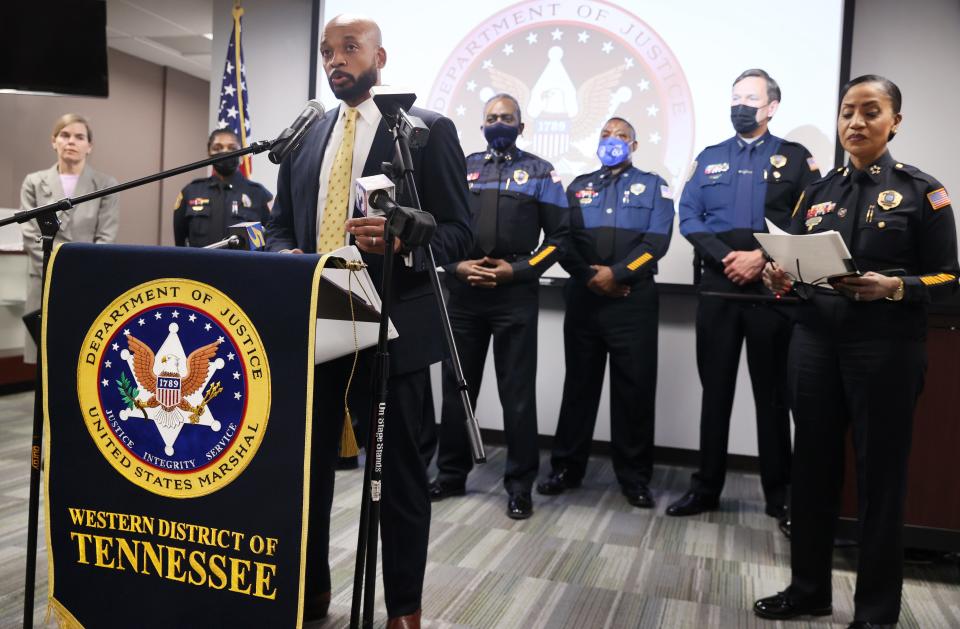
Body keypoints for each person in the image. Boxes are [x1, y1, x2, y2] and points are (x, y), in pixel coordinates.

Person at [265, 14, 471, 629]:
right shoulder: (304, 135)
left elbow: (459, 233)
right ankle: (310, 593)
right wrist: (284, 259)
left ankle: (403, 607)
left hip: (391, 327)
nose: (336, 60)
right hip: (313, 323)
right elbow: (281, 226)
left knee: (400, 479)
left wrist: (405, 241)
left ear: (381, 57)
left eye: (350, 49)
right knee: (303, 473)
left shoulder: (425, 132)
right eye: (328, 51)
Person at [754, 75, 958, 629]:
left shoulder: (923, 192)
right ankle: (808, 590)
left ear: (895, 121)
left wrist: (897, 287)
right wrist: (780, 274)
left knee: (881, 480)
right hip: (815, 345)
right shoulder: (817, 194)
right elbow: (792, 260)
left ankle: (874, 613)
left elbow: (950, 279)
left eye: (871, 111)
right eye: (847, 111)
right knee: (813, 471)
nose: (856, 122)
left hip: (885, 350)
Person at [671, 69, 821, 518]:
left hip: (772, 292)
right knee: (714, 393)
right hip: (719, 292)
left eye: (750, 98)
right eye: (735, 97)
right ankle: (705, 489)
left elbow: (809, 217)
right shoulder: (710, 156)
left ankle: (780, 495)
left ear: (771, 107)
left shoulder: (796, 160)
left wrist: (759, 258)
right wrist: (725, 259)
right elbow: (689, 215)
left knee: (772, 397)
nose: (740, 105)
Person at [427, 93, 569, 520]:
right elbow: (438, 230)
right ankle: (451, 474)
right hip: (465, 295)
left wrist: (518, 270)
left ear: (522, 126)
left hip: (514, 296)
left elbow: (561, 239)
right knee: (457, 392)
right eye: (491, 117)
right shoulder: (462, 167)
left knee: (518, 396)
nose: (498, 123)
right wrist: (454, 266)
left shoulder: (543, 172)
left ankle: (519, 484)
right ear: (482, 124)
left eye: (507, 117)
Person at [536, 117, 673, 509]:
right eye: (605, 135)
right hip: (584, 298)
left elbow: (657, 241)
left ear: (635, 145)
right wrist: (589, 276)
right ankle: (566, 468)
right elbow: (567, 240)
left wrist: (618, 274)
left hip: (634, 301)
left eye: (621, 136)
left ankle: (634, 477)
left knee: (634, 391)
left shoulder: (654, 186)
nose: (612, 141)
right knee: (578, 387)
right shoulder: (578, 187)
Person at [20, 113, 119, 363]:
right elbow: (31, 235)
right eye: (65, 135)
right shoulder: (33, 182)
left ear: (89, 146)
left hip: (86, 278)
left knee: (79, 352)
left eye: (79, 137)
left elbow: (105, 236)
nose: (71, 141)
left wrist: (77, 271)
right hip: (43, 275)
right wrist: (57, 267)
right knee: (44, 357)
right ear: (54, 141)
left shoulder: (107, 184)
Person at [173, 129, 272, 247]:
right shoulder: (191, 192)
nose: (225, 152)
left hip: (244, 265)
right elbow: (180, 243)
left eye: (232, 148)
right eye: (217, 148)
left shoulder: (259, 194)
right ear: (209, 152)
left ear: (241, 152)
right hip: (199, 264)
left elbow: (271, 239)